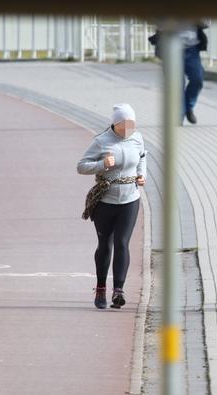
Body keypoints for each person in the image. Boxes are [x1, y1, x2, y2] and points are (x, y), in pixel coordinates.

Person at [77, 103, 147, 310]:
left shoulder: (137, 138)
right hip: (105, 201)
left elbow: (143, 157)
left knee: (122, 242)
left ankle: (119, 290)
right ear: (115, 124)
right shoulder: (101, 141)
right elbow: (81, 166)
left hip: (130, 198)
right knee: (105, 244)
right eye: (123, 124)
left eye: (131, 124)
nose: (128, 128)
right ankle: (100, 288)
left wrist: (142, 175)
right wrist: (101, 165)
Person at [148, 21, 209, 124]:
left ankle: (188, 107)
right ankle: (179, 115)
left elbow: (207, 23)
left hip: (192, 48)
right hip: (171, 47)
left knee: (197, 79)